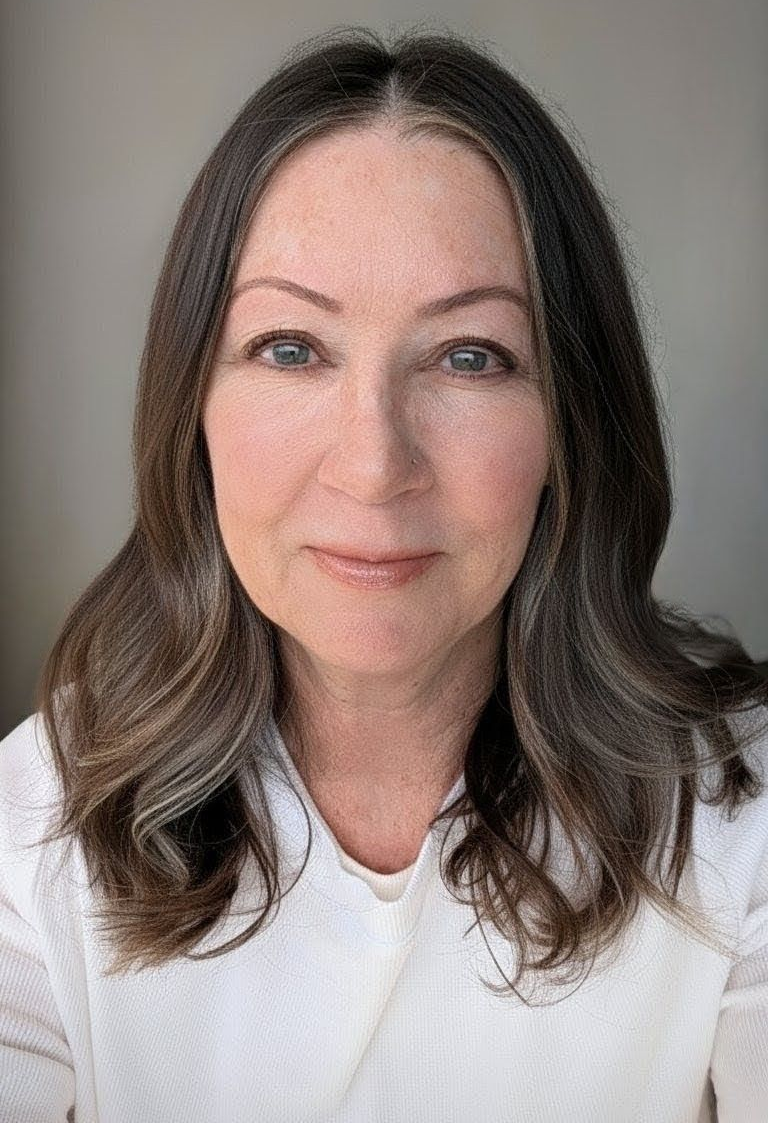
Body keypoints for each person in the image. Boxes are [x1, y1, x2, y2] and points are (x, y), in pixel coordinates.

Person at [1, 25, 766, 1123]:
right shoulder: (38, 826)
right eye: (291, 348)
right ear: (193, 408)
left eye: (470, 356)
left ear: (571, 424)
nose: (374, 465)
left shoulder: (744, 821)